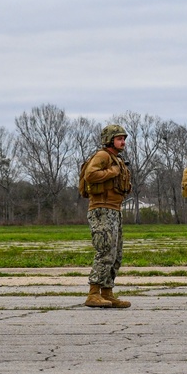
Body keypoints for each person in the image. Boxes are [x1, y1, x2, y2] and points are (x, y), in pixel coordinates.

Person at [81, 124, 133, 308]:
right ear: (110, 140)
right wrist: (112, 172)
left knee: (115, 253)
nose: (123, 142)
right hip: (102, 209)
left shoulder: (116, 158)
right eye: (119, 138)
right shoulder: (103, 156)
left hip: (114, 209)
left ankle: (107, 292)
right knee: (105, 251)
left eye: (124, 138)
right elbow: (90, 174)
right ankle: (93, 293)